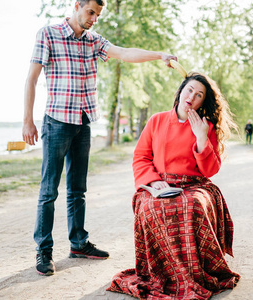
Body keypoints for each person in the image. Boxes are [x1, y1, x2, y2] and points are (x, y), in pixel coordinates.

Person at [22, 0, 177, 276]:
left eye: (98, 14)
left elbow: (125, 52)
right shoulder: (48, 34)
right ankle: (44, 250)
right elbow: (32, 78)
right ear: (77, 5)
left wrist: (160, 55)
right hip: (56, 122)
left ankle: (78, 243)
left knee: (78, 189)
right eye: (90, 12)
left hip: (83, 122)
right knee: (49, 192)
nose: (94, 19)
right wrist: (27, 120)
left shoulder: (94, 41)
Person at [107, 72, 240, 299]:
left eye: (199, 95)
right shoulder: (156, 120)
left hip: (194, 184)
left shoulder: (205, 126)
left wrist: (201, 138)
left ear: (202, 101)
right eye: (189, 90)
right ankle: (160, 271)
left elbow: (210, 171)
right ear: (180, 91)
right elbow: (140, 157)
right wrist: (153, 181)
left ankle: (192, 272)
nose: (192, 97)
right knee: (149, 207)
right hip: (157, 183)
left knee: (193, 205)